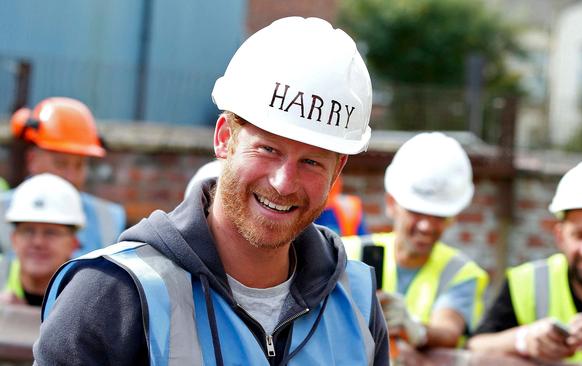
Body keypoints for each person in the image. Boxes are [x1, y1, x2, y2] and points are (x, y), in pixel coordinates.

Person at [35, 16, 388, 365]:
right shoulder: (112, 294)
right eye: (267, 149)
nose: (284, 183)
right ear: (223, 139)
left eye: (311, 161)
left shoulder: (356, 301)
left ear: (337, 170)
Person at [468, 159, 582, 365]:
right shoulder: (526, 282)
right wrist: (524, 339)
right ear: (560, 236)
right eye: (580, 235)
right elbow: (476, 346)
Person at [344, 132, 489, 350]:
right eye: (417, 212)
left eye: (439, 216)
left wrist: (414, 330)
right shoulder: (346, 253)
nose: (426, 226)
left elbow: (449, 331)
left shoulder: (461, 272)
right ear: (391, 204)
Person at [0, 97, 125, 257]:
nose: (71, 177)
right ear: (32, 160)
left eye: (79, 165)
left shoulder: (109, 219)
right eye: (61, 164)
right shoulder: (2, 210)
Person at [0, 174, 84, 307]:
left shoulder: (88, 293)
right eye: (28, 231)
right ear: (14, 239)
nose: (38, 242)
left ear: (73, 243)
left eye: (51, 233)